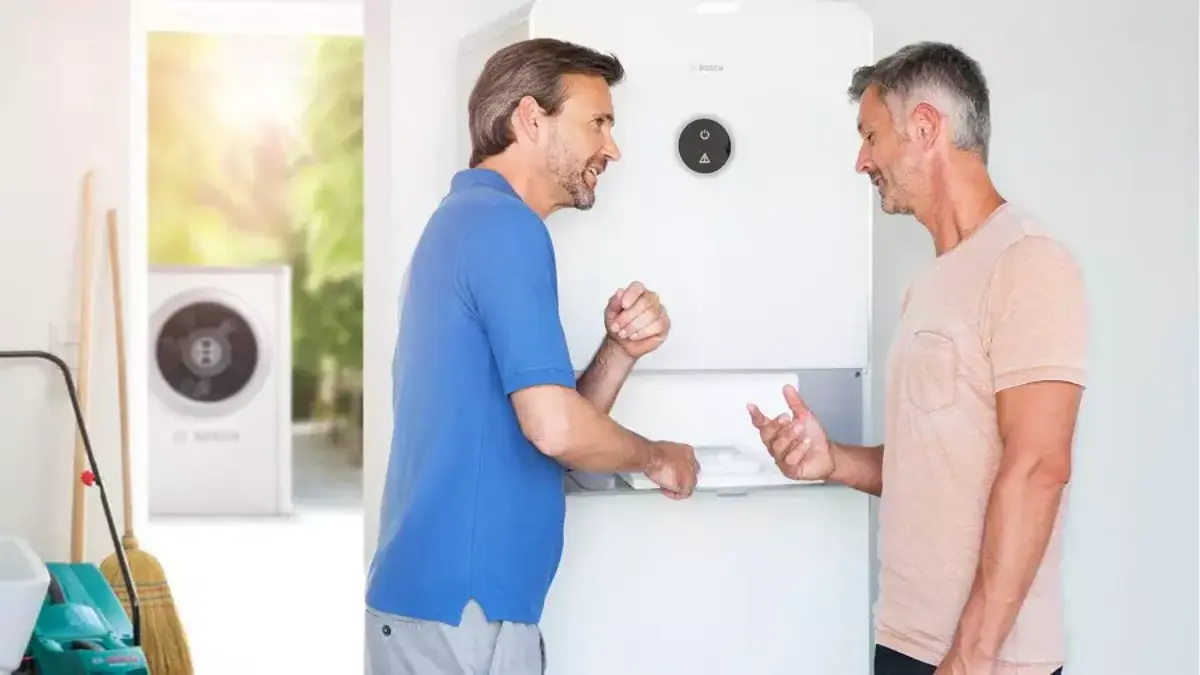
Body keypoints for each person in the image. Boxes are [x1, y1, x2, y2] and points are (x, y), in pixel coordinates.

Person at [364, 38, 700, 675]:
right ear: (529, 118)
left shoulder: (467, 222)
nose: (612, 147)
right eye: (597, 122)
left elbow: (544, 427)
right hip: (463, 611)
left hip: (450, 607)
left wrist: (619, 351)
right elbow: (553, 430)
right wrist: (659, 457)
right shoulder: (504, 228)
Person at [748, 42, 1085, 675]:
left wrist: (972, 656)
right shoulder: (931, 284)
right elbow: (933, 467)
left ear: (926, 128)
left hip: (987, 660)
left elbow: (1039, 467)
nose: (861, 161)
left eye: (871, 136)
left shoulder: (1029, 262)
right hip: (908, 640)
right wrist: (833, 461)